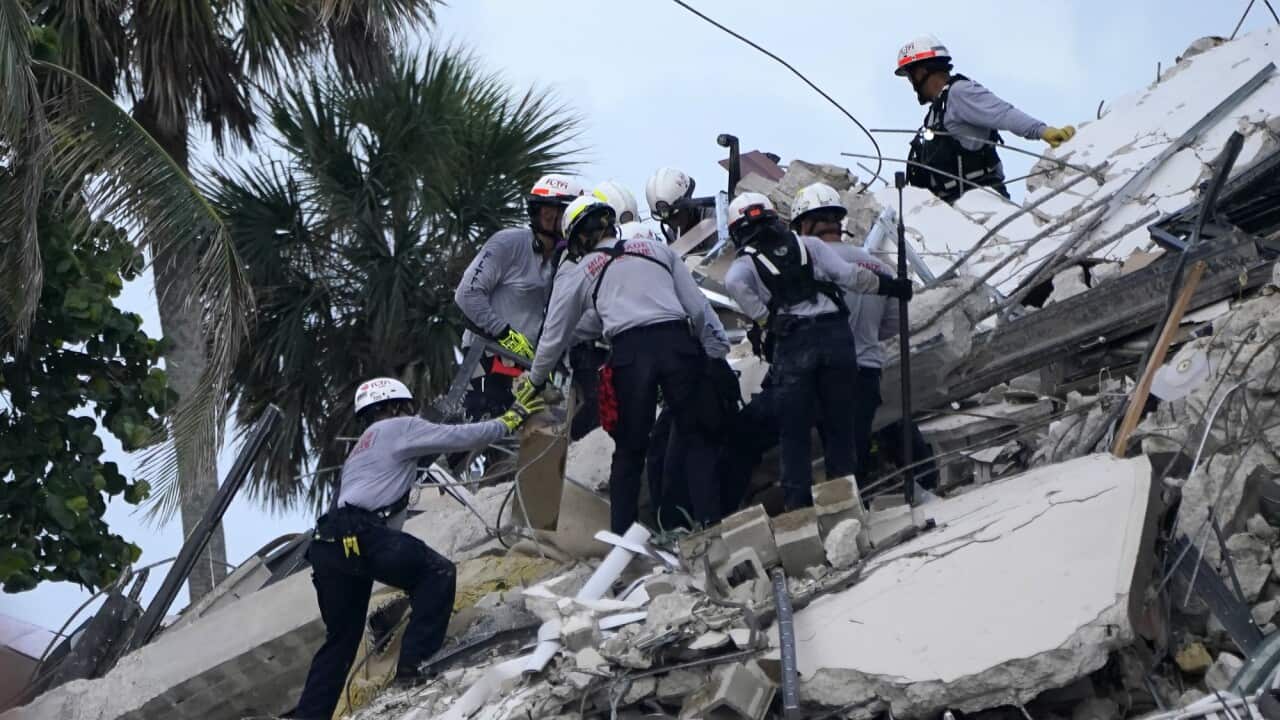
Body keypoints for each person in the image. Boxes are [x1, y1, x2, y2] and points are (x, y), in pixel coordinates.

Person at [289, 377, 545, 720]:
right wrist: (511, 419)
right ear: (396, 406)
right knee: (436, 573)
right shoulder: (398, 426)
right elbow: (460, 438)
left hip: (328, 547)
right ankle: (414, 669)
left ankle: (310, 716)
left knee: (340, 642)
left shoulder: (360, 449)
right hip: (362, 534)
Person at [522, 193, 731, 534]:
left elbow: (554, 336)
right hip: (678, 344)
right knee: (696, 437)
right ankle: (711, 525)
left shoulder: (582, 271)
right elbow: (698, 309)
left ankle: (623, 541)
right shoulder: (659, 251)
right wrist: (715, 354)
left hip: (630, 355)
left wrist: (535, 380)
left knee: (630, 451)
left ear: (577, 237)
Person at [723, 192, 912, 510]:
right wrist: (892, 286)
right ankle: (845, 510)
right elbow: (850, 277)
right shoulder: (809, 247)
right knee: (840, 431)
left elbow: (733, 283)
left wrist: (766, 317)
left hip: (795, 346)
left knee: (793, 434)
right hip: (836, 341)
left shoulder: (745, 263)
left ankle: (800, 517)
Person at [790, 183, 939, 488]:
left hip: (821, 374)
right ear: (838, 222)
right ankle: (919, 482)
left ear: (804, 224)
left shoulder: (805, 265)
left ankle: (847, 517)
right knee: (861, 439)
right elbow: (893, 324)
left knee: (837, 453)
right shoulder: (877, 266)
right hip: (867, 372)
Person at [454, 174, 583, 420]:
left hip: (532, 371)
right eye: (546, 210)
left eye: (559, 212)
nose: (551, 218)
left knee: (529, 449)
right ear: (535, 211)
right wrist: (507, 336)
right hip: (488, 358)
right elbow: (467, 294)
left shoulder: (568, 261)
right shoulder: (508, 243)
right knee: (474, 432)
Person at [896, 35, 1076, 203]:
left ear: (921, 72)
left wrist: (1042, 131)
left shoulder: (959, 93)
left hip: (980, 205)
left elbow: (1003, 113)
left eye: (911, 77)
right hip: (954, 210)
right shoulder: (936, 112)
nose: (912, 86)